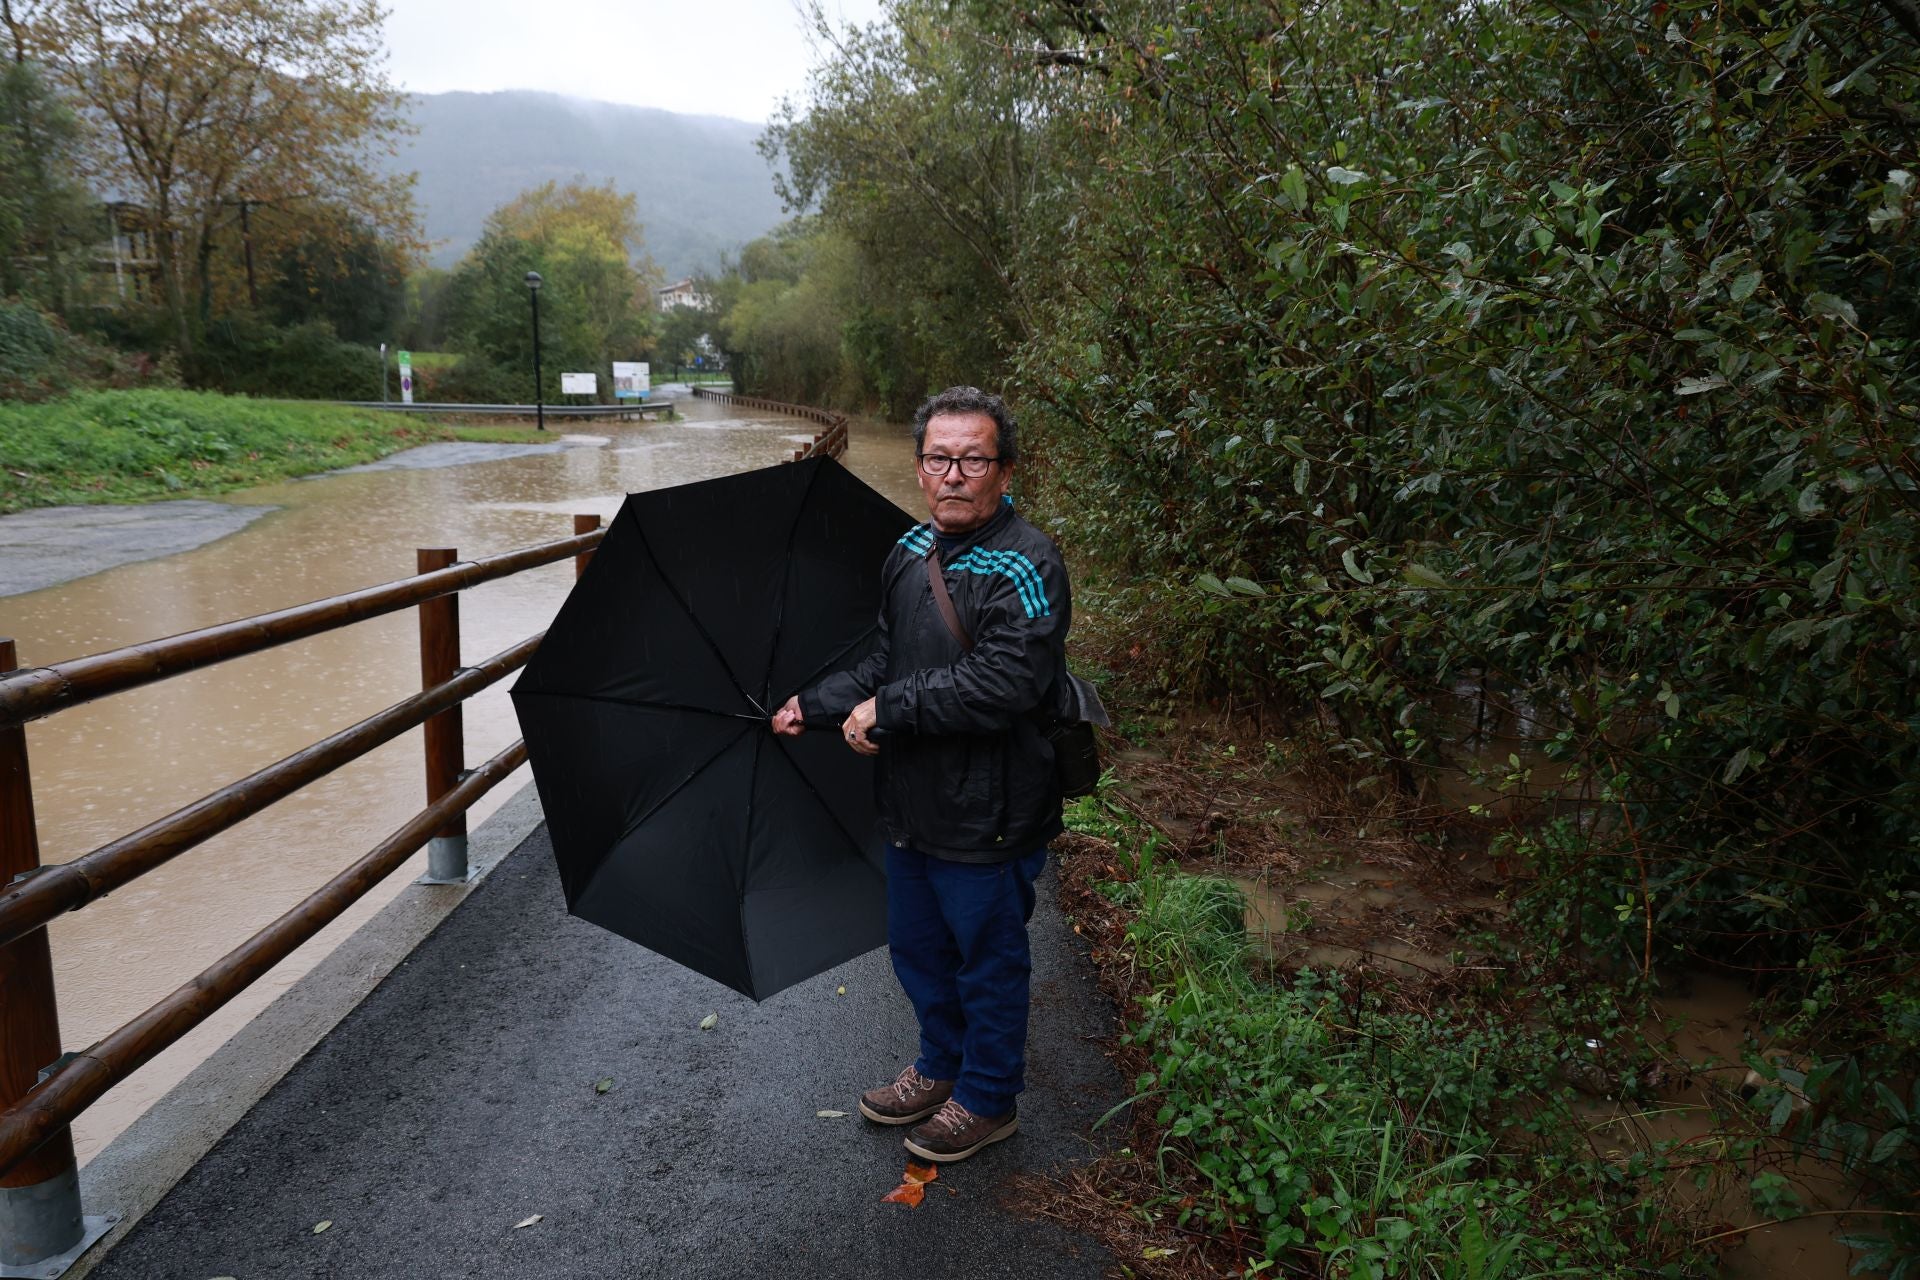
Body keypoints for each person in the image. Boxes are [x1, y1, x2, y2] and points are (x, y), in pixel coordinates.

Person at [770, 386, 1072, 1164]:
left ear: (1005, 471)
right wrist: (822, 699)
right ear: (919, 468)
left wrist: (890, 711)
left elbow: (1006, 685)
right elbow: (884, 657)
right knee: (917, 948)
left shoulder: (1029, 563)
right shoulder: (909, 553)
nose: (955, 474)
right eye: (940, 458)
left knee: (989, 958)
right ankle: (940, 1067)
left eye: (975, 459)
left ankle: (988, 1097)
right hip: (910, 801)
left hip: (991, 807)